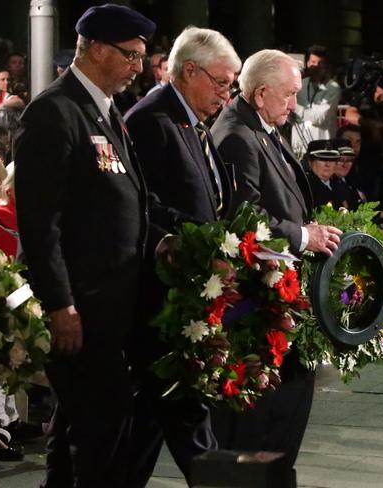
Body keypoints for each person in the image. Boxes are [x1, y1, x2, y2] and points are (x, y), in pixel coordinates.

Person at [14, 4, 155, 487]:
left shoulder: (102, 110)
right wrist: (59, 303)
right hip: (81, 307)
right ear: (95, 48)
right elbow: (39, 223)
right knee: (103, 423)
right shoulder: (55, 112)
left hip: (109, 306)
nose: (138, 67)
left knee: (77, 427)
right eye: (130, 55)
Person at [210, 49, 343, 486]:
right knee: (255, 428)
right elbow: (243, 215)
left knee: (283, 420)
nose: (294, 104)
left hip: (279, 297)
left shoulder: (262, 127)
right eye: (288, 95)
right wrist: (304, 236)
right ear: (262, 92)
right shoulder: (236, 133)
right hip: (254, 305)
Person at [124, 26, 240, 485]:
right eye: (221, 82)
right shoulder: (152, 118)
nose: (227, 94)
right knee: (182, 414)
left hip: (188, 292)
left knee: (152, 422)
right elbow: (144, 204)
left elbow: (207, 197)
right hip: (162, 296)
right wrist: (200, 242)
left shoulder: (188, 117)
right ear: (189, 70)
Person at [290, 45, 341, 158]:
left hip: (322, 148)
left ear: (326, 66)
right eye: (313, 62)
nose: (316, 66)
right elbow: (289, 117)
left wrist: (294, 107)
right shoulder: (300, 84)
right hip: (299, 147)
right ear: (307, 63)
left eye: (320, 63)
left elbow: (321, 118)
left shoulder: (333, 88)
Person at [304, 139, 344, 209]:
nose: (328, 164)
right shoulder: (306, 187)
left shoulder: (339, 185)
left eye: (332, 159)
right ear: (310, 162)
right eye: (322, 159)